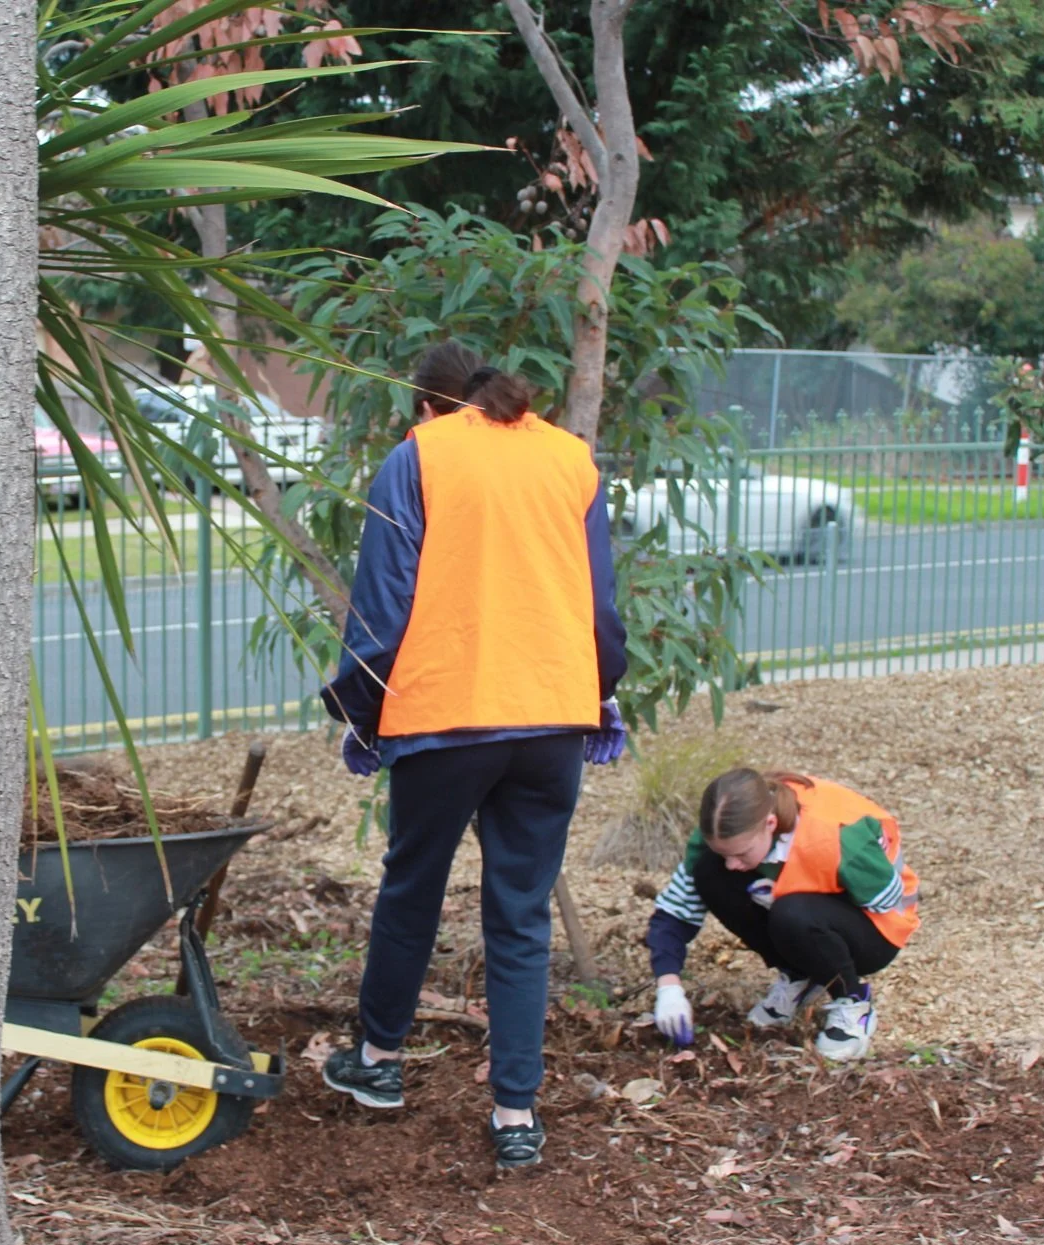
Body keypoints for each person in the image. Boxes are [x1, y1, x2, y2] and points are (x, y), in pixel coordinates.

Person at [317, 341, 628, 1170]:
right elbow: (599, 604)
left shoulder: (419, 457)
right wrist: (595, 689)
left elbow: (383, 603)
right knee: (521, 913)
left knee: (413, 887)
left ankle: (378, 1064)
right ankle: (516, 1114)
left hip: (450, 712)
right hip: (552, 717)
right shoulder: (570, 460)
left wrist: (361, 706)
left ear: (428, 405)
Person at [646, 767, 917, 1061]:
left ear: (770, 824)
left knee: (794, 913)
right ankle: (801, 974)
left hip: (877, 931)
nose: (732, 864)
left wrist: (797, 895)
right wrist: (668, 986)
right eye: (726, 853)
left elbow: (887, 901)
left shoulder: (838, 837)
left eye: (741, 854)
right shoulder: (724, 832)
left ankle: (853, 1002)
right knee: (710, 873)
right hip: (803, 915)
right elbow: (674, 912)